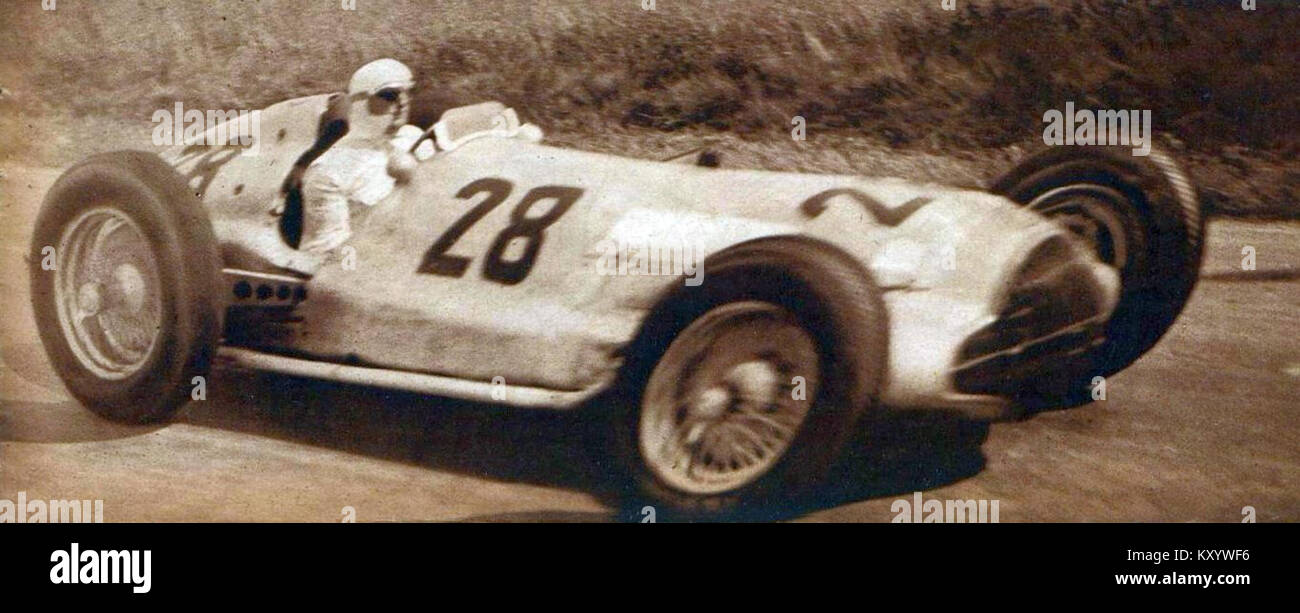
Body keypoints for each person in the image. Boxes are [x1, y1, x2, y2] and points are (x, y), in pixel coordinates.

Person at [296, 58, 431, 259]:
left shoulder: (416, 139)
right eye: (389, 95)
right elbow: (328, 257)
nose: (403, 103)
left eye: (408, 93)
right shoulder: (328, 170)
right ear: (361, 102)